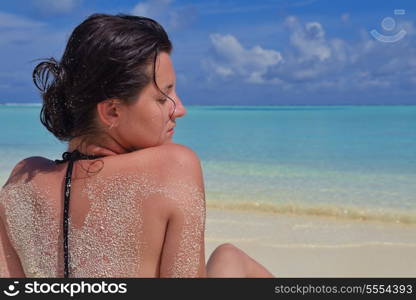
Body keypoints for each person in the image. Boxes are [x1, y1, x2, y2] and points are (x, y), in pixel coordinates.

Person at [0, 13, 273, 278]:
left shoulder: (22, 180)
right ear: (112, 112)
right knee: (234, 262)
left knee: (229, 257)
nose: (180, 109)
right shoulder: (174, 166)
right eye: (162, 97)